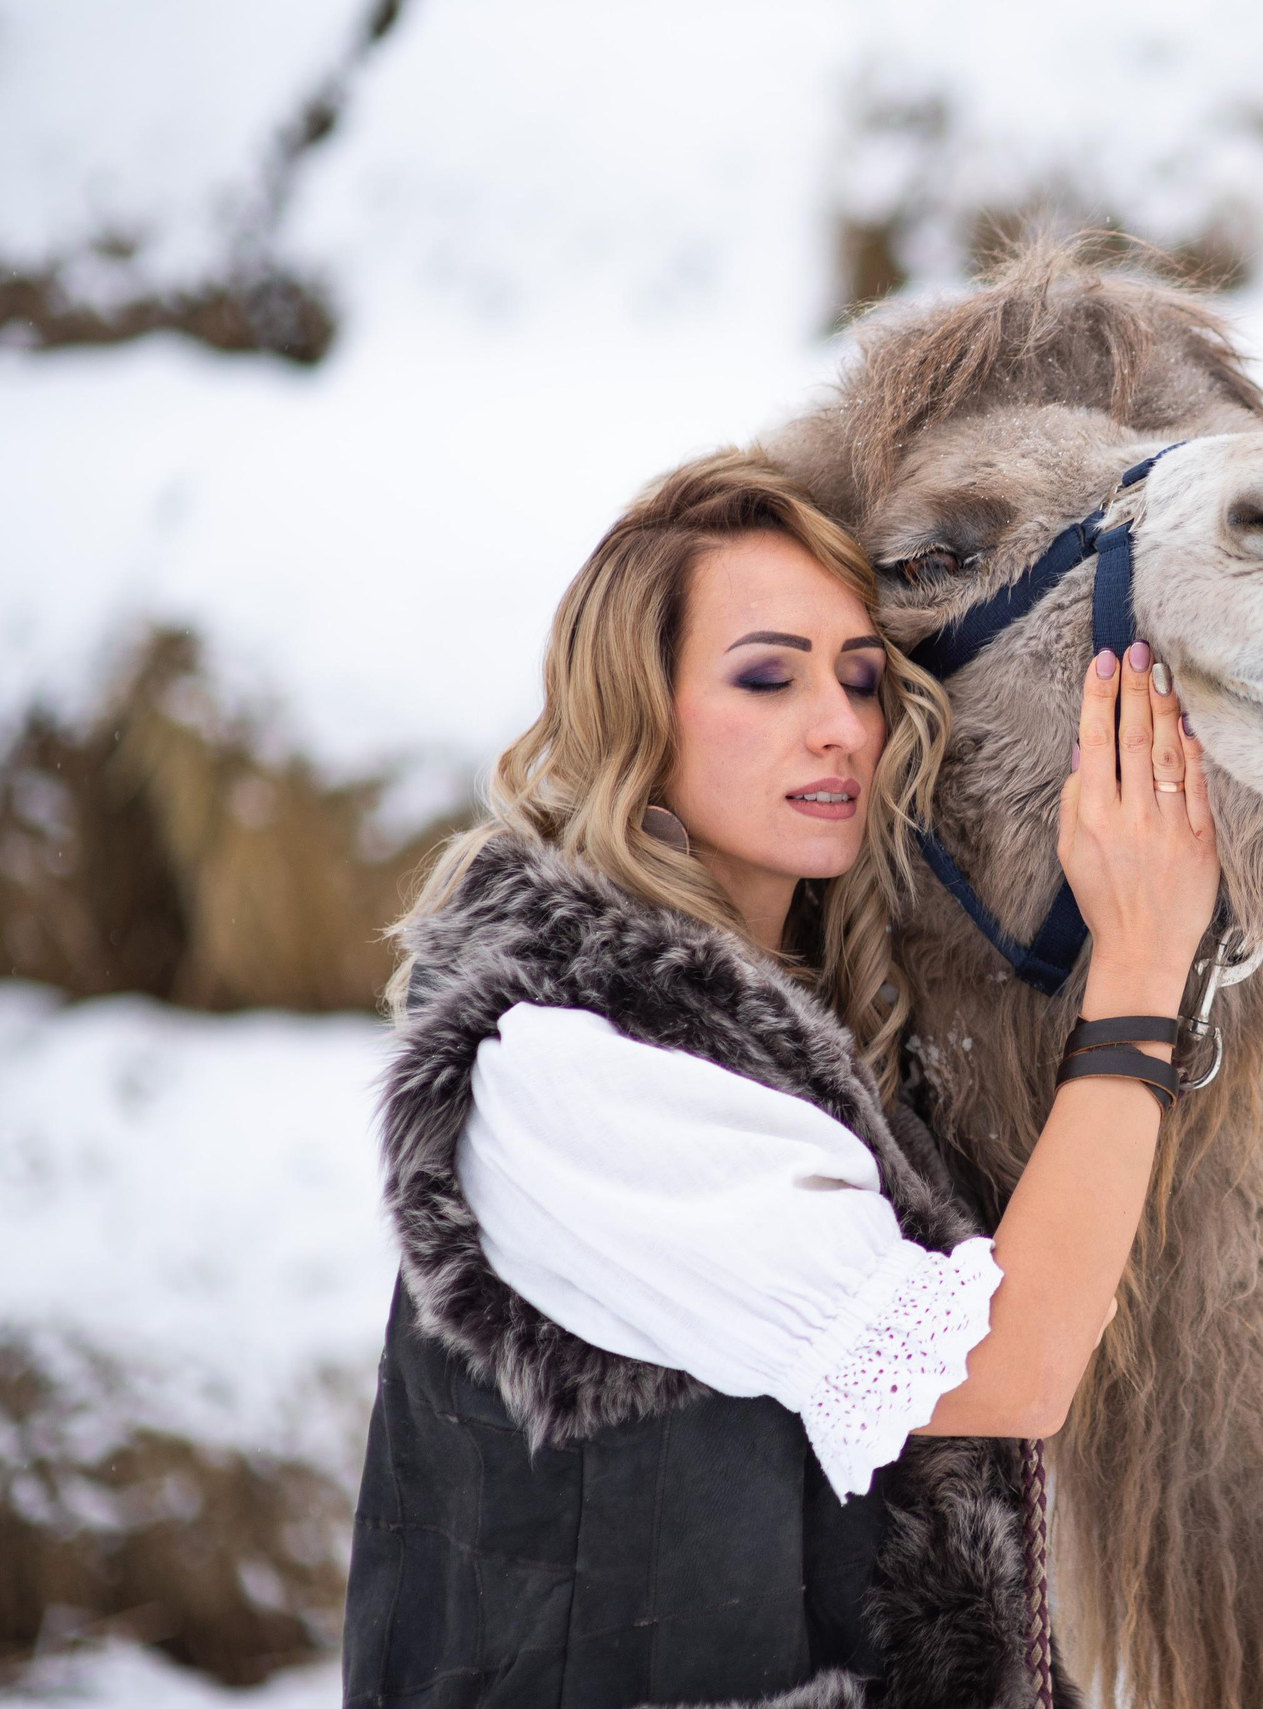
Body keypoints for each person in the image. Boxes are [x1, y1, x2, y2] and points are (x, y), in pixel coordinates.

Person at [343, 449, 1218, 1709]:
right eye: (767, 675)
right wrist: (1138, 961)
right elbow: (1001, 1374)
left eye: (861, 679)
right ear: (637, 709)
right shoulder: (570, 1062)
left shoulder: (805, 1025)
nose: (838, 725)